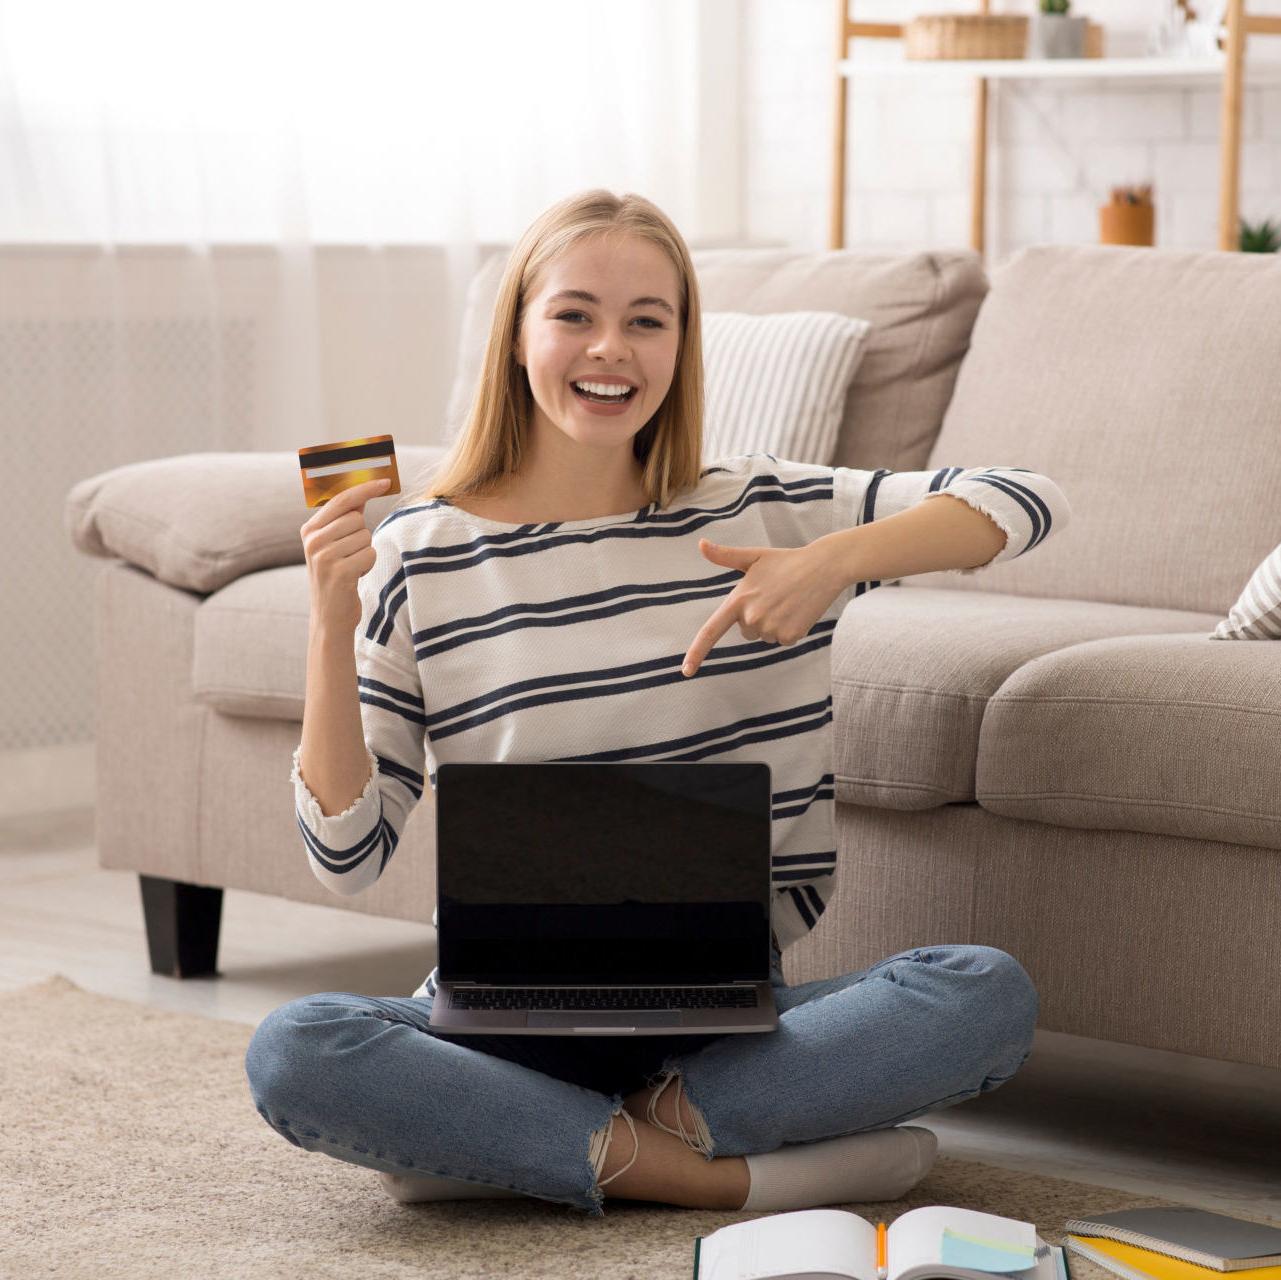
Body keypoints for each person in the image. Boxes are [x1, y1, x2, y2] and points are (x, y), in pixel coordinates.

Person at [244, 188, 1069, 1218]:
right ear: (517, 335)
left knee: (982, 993)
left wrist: (831, 562)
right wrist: (330, 619)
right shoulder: (422, 552)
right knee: (297, 1046)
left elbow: (1028, 496)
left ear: (683, 344)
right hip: (504, 1014)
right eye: (576, 314)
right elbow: (347, 853)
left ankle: (537, 1141)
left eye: (649, 320)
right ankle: (722, 1169)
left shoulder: (756, 504)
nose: (612, 349)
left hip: (728, 1010)